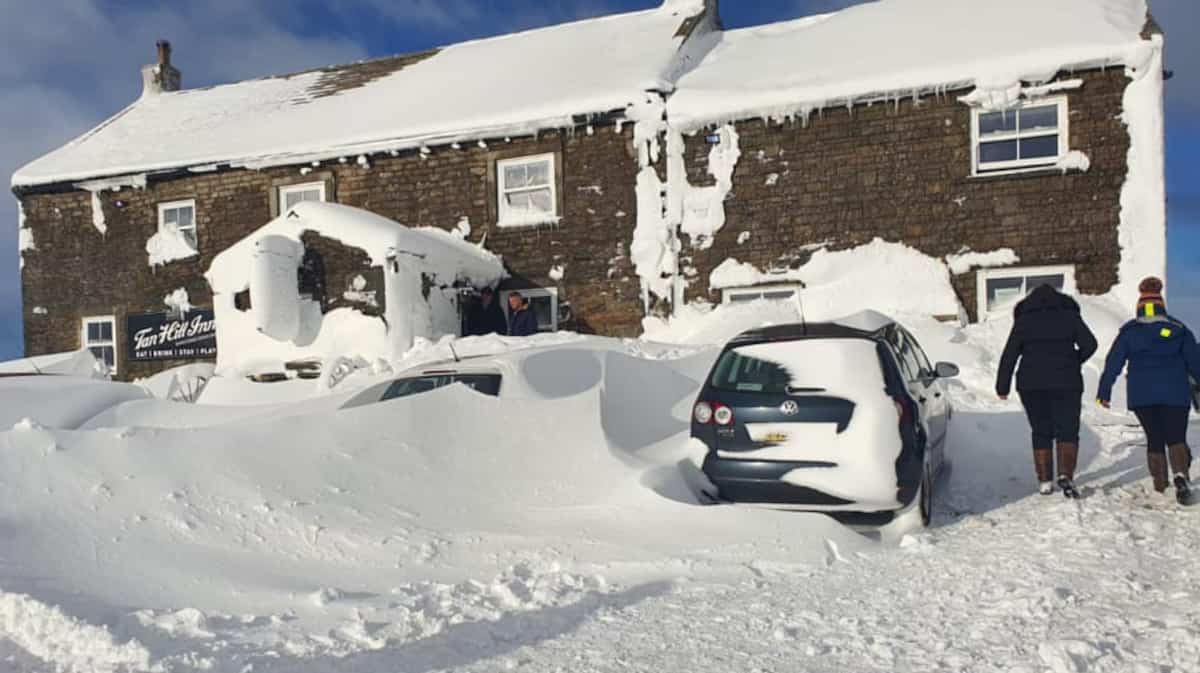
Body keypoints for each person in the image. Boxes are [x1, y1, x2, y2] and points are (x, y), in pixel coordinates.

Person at [1098, 277, 1200, 505]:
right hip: (1175, 393)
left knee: (1154, 437)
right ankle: (1181, 476)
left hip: (1142, 395)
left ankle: (1160, 485)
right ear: (1161, 304)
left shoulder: (1129, 332)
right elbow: (1195, 362)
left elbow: (1113, 362)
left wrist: (1104, 391)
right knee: (1176, 436)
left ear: (1140, 306)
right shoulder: (1179, 330)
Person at [996, 283, 1098, 499]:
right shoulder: (1070, 317)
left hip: (1031, 384)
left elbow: (1010, 355)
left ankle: (1044, 481)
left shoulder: (1024, 321)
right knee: (1067, 429)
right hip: (1066, 381)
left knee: (1041, 430)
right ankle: (1065, 475)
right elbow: (1090, 344)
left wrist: (1002, 386)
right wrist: (1074, 360)